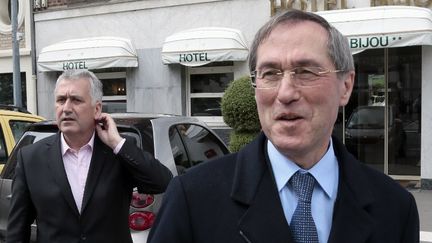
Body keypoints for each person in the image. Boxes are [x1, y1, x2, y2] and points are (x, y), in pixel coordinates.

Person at [148, 10, 419, 243]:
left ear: (345, 86)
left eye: (305, 72)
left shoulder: (395, 207)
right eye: (270, 74)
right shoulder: (192, 199)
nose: (285, 93)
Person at [6, 70, 173, 243]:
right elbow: (17, 230)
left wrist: (117, 143)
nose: (67, 108)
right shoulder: (31, 158)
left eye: (76, 100)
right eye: (61, 100)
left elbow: (163, 182)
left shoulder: (117, 152)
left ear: (97, 109)